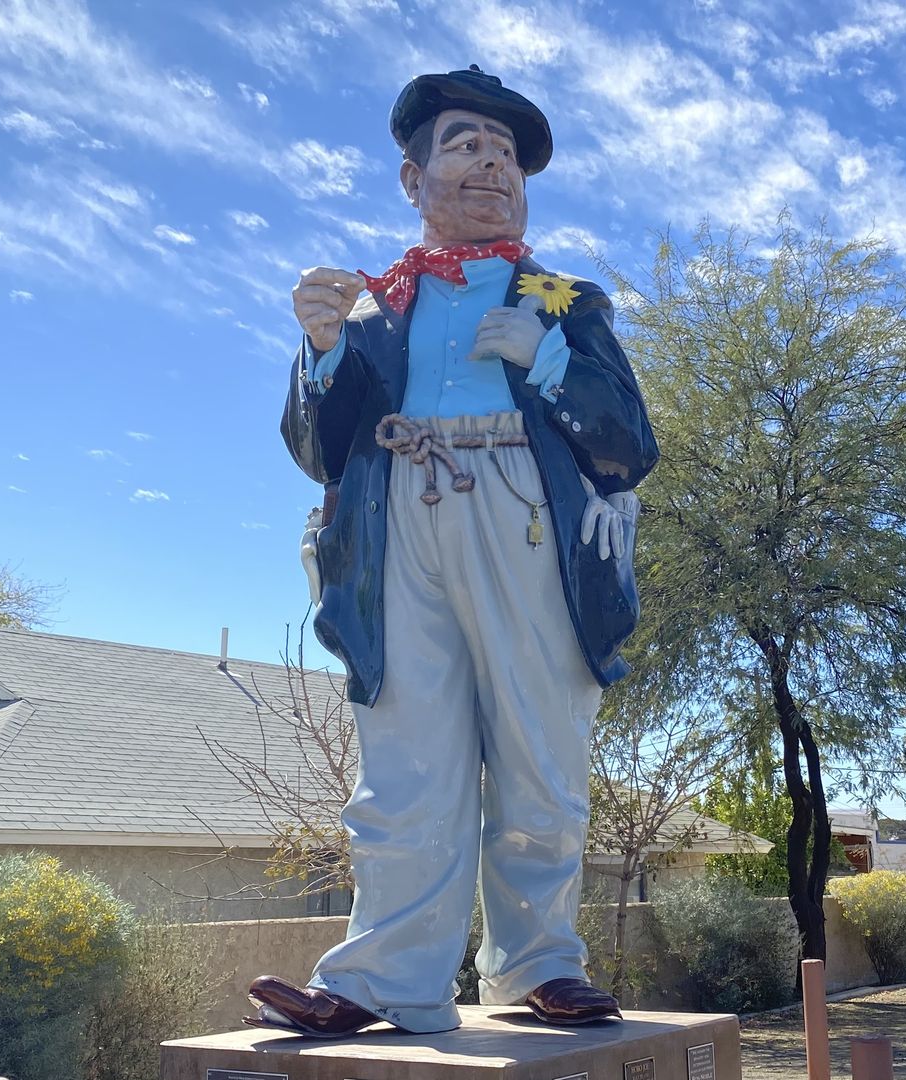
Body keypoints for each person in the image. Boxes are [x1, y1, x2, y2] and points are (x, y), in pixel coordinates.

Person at [252, 65, 656, 1038]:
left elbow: (628, 441)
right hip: (397, 520)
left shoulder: (565, 301)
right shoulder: (371, 308)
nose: (491, 166)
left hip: (523, 516)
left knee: (537, 745)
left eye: (507, 155)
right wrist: (321, 353)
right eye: (467, 144)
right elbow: (317, 450)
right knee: (406, 760)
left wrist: (546, 357)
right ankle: (387, 978)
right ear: (412, 176)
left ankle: (537, 967)